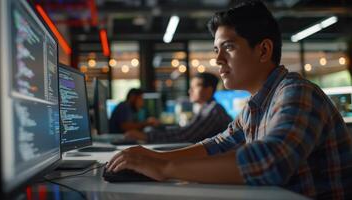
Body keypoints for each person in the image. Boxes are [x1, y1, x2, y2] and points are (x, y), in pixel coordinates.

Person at [107, 1, 352, 199]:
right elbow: (217, 145)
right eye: (216, 50)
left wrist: (164, 169)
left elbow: (270, 162)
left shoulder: (298, 92)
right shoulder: (256, 105)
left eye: (229, 48)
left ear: (264, 50)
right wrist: (156, 158)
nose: (218, 60)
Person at [125, 72, 232, 143]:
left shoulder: (213, 111)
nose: (190, 91)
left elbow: (185, 136)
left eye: (195, 87)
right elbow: (185, 131)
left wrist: (146, 136)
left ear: (209, 90)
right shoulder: (206, 108)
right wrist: (159, 128)